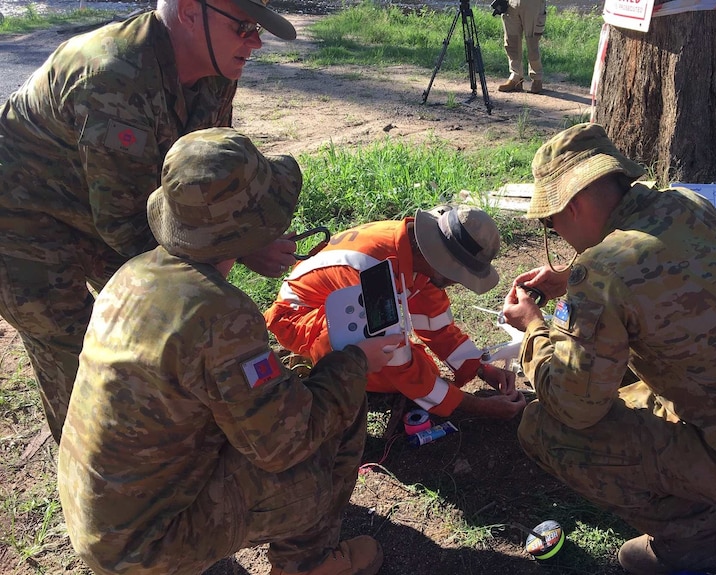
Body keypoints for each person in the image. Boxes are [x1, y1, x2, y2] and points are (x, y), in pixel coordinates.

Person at [58, 127, 402, 575]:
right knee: (329, 429)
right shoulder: (222, 314)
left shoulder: (134, 273)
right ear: (249, 228)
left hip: (101, 520)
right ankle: (310, 564)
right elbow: (284, 445)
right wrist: (357, 361)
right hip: (146, 547)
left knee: (296, 382)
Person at [501, 123, 716, 575]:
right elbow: (665, 281)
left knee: (543, 427)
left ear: (572, 205)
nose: (554, 231)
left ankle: (700, 539)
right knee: (617, 377)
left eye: (550, 223)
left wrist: (533, 328)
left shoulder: (603, 272)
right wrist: (571, 281)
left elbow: (575, 409)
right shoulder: (688, 204)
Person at [0, 0, 299, 443]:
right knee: (80, 361)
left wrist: (241, 236)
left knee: (161, 320)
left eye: (257, 27)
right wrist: (239, 247)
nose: (255, 42)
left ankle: (176, 441)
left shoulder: (216, 67)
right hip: (21, 219)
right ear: (190, 11)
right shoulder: (114, 77)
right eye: (243, 26)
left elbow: (202, 185)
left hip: (103, 203)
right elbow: (130, 230)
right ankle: (97, 492)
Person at [264, 205, 527, 420]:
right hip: (297, 318)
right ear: (440, 261)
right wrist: (479, 408)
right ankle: (324, 379)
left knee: (420, 372)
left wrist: (481, 369)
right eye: (457, 275)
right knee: (394, 365)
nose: (457, 282)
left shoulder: (416, 252)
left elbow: (437, 327)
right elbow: (398, 365)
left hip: (336, 304)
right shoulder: (373, 275)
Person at [497, 0, 547, 94]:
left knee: (532, 43)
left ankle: (537, 78)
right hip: (511, 3)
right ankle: (516, 78)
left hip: (533, 4)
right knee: (511, 42)